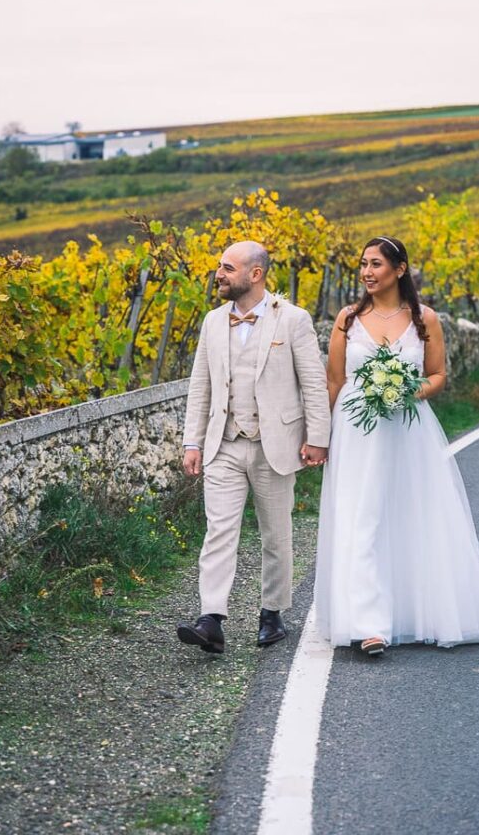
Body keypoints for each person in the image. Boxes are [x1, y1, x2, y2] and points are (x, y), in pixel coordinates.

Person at [314, 236, 479, 655]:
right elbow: (334, 381)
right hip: (356, 431)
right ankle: (368, 624)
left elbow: (438, 375)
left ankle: (416, 613)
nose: (367, 272)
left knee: (412, 514)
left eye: (375, 264)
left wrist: (405, 391)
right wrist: (320, 437)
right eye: (363, 264)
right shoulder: (347, 320)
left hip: (408, 430)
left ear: (399, 269)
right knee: (362, 517)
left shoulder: (424, 318)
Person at [178, 240, 330, 654]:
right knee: (218, 530)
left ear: (255, 274)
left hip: (274, 443)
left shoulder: (293, 320)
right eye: (220, 266)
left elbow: (313, 382)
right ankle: (211, 618)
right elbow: (201, 386)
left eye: (228, 268)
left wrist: (318, 437)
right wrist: (193, 441)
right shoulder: (212, 322)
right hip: (223, 443)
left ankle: (272, 613)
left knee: (275, 534)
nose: (219, 274)